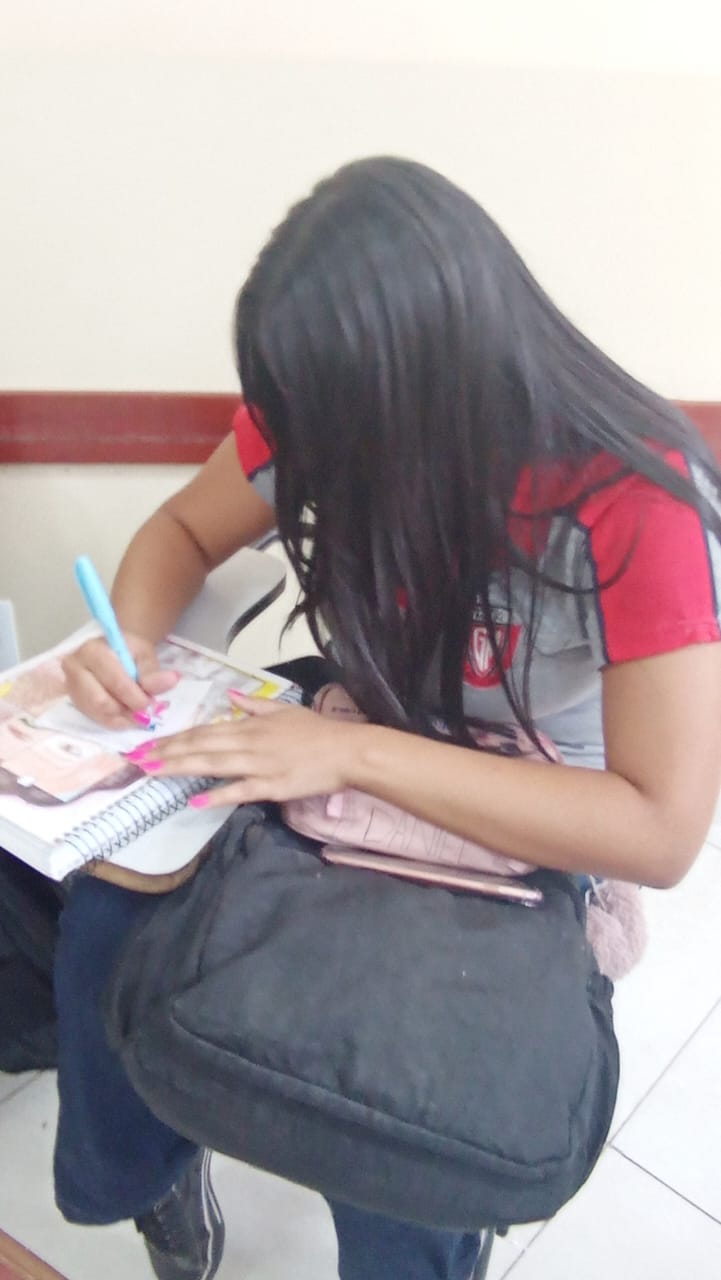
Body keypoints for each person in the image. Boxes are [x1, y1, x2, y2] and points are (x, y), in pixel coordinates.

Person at [53, 156, 721, 1280]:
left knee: (396, 1109)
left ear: (428, 394)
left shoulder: (635, 501)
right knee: (109, 922)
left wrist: (355, 751)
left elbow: (657, 831)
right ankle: (152, 1176)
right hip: (344, 727)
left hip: (524, 799)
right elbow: (182, 530)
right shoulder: (326, 407)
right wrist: (126, 643)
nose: (298, 453)